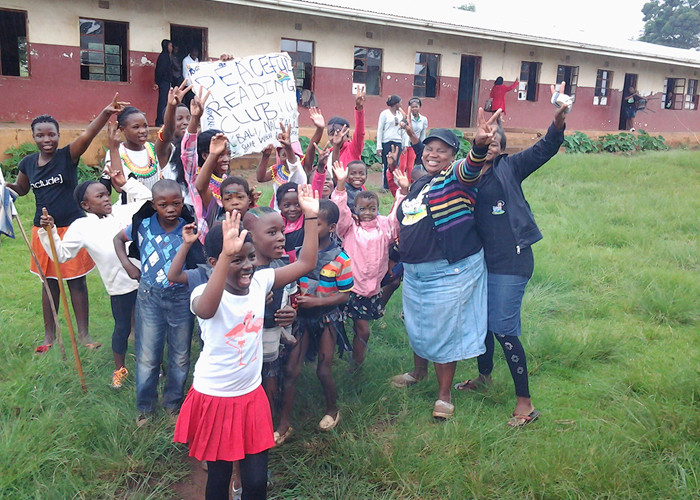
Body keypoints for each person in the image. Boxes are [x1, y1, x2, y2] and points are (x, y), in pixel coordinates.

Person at [174, 187, 320, 500]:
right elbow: (207, 310)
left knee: (255, 482)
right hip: (215, 398)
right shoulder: (205, 294)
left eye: (250, 257)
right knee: (219, 477)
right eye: (236, 260)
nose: (247, 266)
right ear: (215, 262)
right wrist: (228, 257)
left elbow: (307, 262)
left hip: (250, 397)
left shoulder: (261, 281)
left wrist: (311, 215)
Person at [454, 83, 570, 427]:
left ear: (502, 149)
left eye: (495, 143)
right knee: (483, 326)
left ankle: (525, 404)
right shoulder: (465, 175)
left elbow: (545, 148)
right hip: (479, 264)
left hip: (512, 261)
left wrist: (558, 121)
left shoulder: (510, 168)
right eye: (484, 141)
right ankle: (485, 378)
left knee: (503, 328)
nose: (490, 147)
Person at [390, 109, 503, 420]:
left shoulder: (456, 177)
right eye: (429, 148)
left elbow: (470, 169)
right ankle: (418, 371)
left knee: (444, 331)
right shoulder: (420, 183)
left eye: (441, 150)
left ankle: (444, 395)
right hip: (415, 272)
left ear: (452, 155)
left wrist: (478, 146)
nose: (433, 154)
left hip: (448, 271)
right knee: (417, 325)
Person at [5, 94, 127, 353]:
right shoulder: (27, 163)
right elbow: (22, 189)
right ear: (34, 137)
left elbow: (88, 134)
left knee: (77, 282)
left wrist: (106, 113)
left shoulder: (67, 156)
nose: (46, 139)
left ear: (59, 136)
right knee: (49, 283)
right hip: (43, 229)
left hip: (72, 228)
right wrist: (7, 188)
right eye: (40, 135)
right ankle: (50, 336)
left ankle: (83, 335)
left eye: (51, 134)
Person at [39, 149, 152, 388]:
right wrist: (47, 233)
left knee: (147, 325)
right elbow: (60, 255)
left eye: (106, 194)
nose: (105, 199)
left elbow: (149, 199)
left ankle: (152, 365)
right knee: (122, 327)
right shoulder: (81, 227)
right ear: (85, 205)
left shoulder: (123, 212)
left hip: (146, 279)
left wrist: (126, 183)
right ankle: (119, 369)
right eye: (98, 197)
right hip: (119, 286)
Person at [113, 179, 203, 426]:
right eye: (164, 204)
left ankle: (173, 403)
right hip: (149, 296)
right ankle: (145, 408)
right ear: (154, 205)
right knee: (147, 355)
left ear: (182, 203)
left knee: (180, 354)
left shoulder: (189, 228)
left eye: (176, 203)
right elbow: (117, 241)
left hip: (181, 297)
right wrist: (128, 265)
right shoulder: (141, 226)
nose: (171, 209)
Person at [275, 199, 353, 439]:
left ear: (331, 227)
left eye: (316, 224)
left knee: (323, 369)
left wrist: (318, 302)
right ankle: (284, 423)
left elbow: (345, 295)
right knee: (291, 369)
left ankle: (332, 409)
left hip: (327, 319)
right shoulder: (300, 254)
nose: (311, 229)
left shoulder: (340, 259)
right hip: (302, 320)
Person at [331, 160, 406, 367]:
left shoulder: (383, 227)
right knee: (362, 329)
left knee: (359, 328)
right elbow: (340, 213)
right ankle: (356, 364)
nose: (367, 212)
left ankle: (354, 360)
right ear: (354, 209)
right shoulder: (350, 228)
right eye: (362, 208)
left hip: (372, 289)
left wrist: (403, 191)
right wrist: (339, 185)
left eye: (372, 208)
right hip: (351, 287)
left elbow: (396, 219)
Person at [241, 207, 297, 444]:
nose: (281, 237)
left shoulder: (284, 267)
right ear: (251, 236)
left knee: (271, 382)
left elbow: (293, 297)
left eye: (282, 231)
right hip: (245, 348)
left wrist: (292, 313)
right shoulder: (242, 273)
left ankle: (266, 429)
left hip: (274, 339)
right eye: (272, 232)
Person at [105, 106, 166, 204]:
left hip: (156, 209)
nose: (143, 131)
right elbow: (119, 187)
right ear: (122, 129)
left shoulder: (152, 148)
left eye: (145, 126)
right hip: (130, 211)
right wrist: (114, 150)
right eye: (136, 127)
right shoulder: (116, 152)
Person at [255, 123, 306, 211]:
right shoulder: (277, 170)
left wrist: (288, 147)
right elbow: (260, 178)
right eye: (283, 155)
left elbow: (293, 164)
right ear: (279, 156)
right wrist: (265, 156)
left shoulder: (300, 171)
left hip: (297, 210)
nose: (287, 159)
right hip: (279, 211)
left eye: (290, 154)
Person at [376, 95, 404, 189]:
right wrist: (379, 146)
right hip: (387, 141)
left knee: (396, 163)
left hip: (398, 141)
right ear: (396, 104)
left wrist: (404, 144)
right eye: (400, 102)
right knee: (386, 163)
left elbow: (403, 130)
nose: (401, 104)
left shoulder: (400, 115)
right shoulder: (385, 114)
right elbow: (380, 130)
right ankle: (385, 185)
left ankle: (394, 183)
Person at [401, 97, 428, 168]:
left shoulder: (423, 119)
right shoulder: (406, 118)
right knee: (403, 166)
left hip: (415, 145)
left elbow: (423, 133)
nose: (414, 109)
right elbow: (405, 133)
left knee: (411, 167)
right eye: (412, 107)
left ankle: (410, 179)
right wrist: (405, 145)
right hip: (406, 145)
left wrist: (422, 145)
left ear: (419, 107)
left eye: (416, 107)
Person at [154, 39, 173, 127]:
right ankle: (160, 121)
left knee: (165, 101)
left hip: (166, 81)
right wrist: (157, 82)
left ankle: (162, 120)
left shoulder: (167, 56)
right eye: (170, 46)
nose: (171, 48)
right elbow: (159, 71)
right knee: (163, 101)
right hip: (163, 82)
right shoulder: (163, 57)